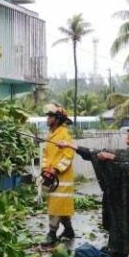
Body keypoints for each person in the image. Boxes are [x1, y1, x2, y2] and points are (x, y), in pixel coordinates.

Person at [56, 123, 129, 257]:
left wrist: (114, 159)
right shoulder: (124, 153)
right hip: (121, 208)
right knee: (118, 244)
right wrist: (70, 145)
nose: (128, 135)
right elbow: (93, 154)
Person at [40, 104, 75, 246]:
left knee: (56, 206)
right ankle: (69, 230)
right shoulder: (51, 135)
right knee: (61, 206)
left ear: (58, 119)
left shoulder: (64, 135)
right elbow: (46, 154)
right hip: (51, 177)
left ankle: (52, 233)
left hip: (62, 178)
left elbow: (68, 155)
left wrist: (55, 170)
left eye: (50, 116)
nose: (47, 119)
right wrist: (45, 169)